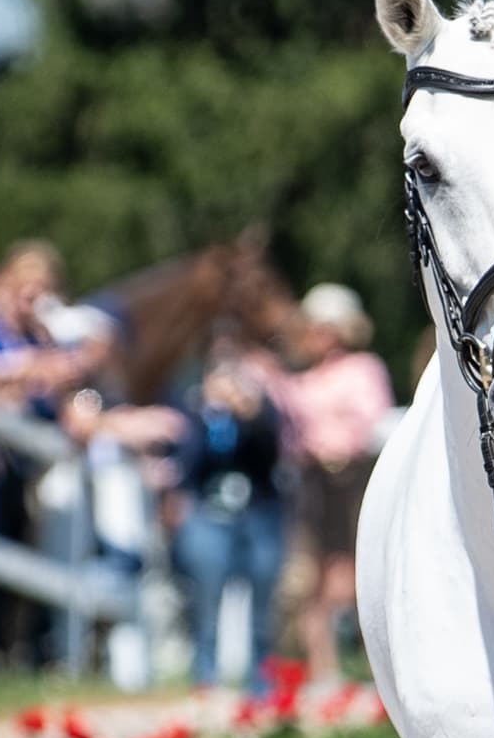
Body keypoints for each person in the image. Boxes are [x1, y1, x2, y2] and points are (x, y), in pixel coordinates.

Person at [281, 283, 394, 683]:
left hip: (355, 478)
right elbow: (290, 436)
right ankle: (324, 669)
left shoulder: (364, 369)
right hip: (313, 482)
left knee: (360, 571)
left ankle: (371, 669)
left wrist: (337, 435)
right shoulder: (297, 379)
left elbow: (374, 420)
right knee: (310, 574)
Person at [169, 329, 291, 689]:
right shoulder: (193, 408)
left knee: (263, 601)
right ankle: (206, 675)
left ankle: (261, 678)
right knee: (206, 595)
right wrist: (207, 416)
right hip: (209, 512)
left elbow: (274, 454)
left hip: (259, 512)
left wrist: (249, 415)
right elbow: (186, 465)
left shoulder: (261, 408)